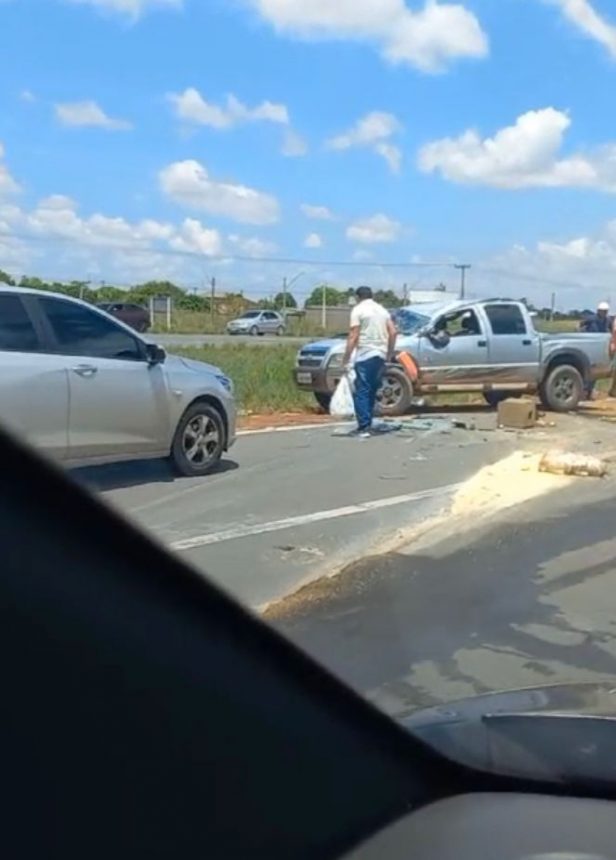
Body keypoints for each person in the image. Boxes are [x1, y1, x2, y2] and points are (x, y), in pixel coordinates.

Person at [342, 286, 397, 437]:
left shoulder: (358, 310)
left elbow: (354, 335)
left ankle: (364, 426)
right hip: (380, 355)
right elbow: (393, 332)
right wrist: (389, 353)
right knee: (372, 389)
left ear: (358, 297)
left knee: (362, 390)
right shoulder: (382, 310)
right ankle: (369, 421)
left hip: (365, 354)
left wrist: (346, 357)